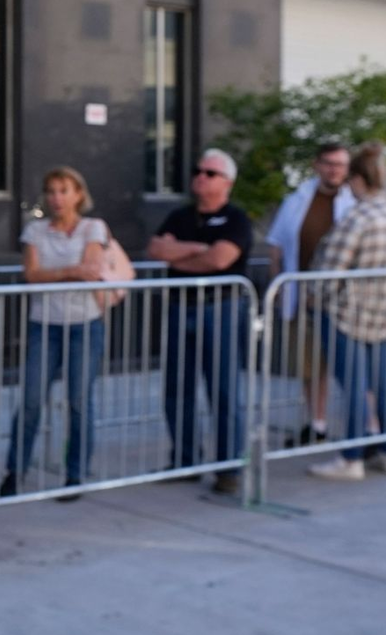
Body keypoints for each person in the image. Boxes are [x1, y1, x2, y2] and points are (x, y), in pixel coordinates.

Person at [147, 148, 253, 496]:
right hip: (181, 307)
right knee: (178, 388)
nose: (200, 177)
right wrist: (200, 251)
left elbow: (222, 260)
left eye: (210, 173)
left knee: (224, 390)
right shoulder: (179, 215)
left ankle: (228, 467)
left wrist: (185, 253)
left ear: (227, 183)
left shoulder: (236, 218)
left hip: (221, 308)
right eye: (198, 170)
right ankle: (185, 460)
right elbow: (158, 251)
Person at [0, 166, 108, 502]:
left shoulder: (93, 227)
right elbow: (31, 275)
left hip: (84, 323)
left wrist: (58, 273)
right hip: (44, 324)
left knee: (78, 401)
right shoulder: (35, 230)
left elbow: (91, 271)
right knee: (31, 399)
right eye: (51, 191)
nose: (57, 198)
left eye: (64, 190)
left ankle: (75, 473)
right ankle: (15, 470)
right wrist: (71, 271)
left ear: (78, 194)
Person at [265, 142, 354, 447]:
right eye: (329, 163)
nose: (335, 170)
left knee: (349, 365)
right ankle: (317, 422)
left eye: (341, 164)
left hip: (342, 300)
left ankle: (367, 427)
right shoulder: (297, 200)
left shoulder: (354, 202)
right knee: (308, 364)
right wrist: (277, 286)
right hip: (301, 296)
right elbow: (276, 245)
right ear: (317, 165)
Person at [306, 141, 386, 481]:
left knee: (353, 385)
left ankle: (351, 457)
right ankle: (381, 449)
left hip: (347, 315)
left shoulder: (359, 216)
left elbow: (330, 272)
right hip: (381, 314)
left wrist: (313, 296)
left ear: (356, 179)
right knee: (381, 385)